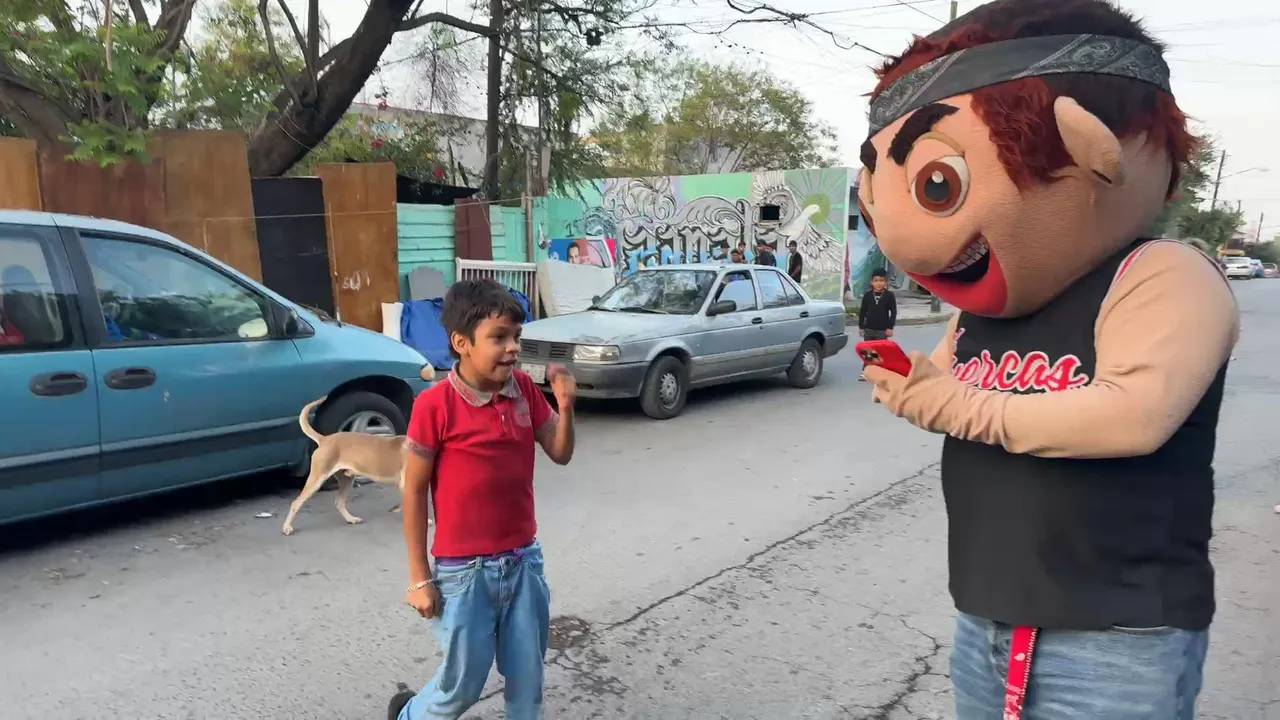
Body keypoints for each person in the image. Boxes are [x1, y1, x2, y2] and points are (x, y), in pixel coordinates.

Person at [857, 1, 1235, 718]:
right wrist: (906, 384)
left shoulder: (1162, 274)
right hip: (985, 617)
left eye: (937, 185)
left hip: (1115, 636)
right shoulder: (983, 308)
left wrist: (947, 401)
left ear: (1094, 149)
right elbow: (944, 393)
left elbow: (1133, 418)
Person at [391, 278, 577, 720]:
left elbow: (560, 452)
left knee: (528, 680)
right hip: (465, 573)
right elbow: (413, 490)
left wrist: (566, 406)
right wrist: (419, 578)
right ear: (462, 343)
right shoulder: (435, 405)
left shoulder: (524, 390)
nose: (513, 348)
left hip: (523, 562)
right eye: (499, 337)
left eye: (517, 336)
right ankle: (409, 714)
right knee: (462, 685)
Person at [857, 268, 896, 381]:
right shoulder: (868, 295)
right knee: (868, 351)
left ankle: (881, 372)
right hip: (869, 328)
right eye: (876, 281)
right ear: (872, 282)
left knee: (881, 351)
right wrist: (861, 326)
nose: (879, 283)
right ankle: (866, 372)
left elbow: (893, 312)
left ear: (885, 282)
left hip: (882, 329)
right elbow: (862, 311)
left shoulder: (889, 295)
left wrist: (890, 327)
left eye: (881, 281)